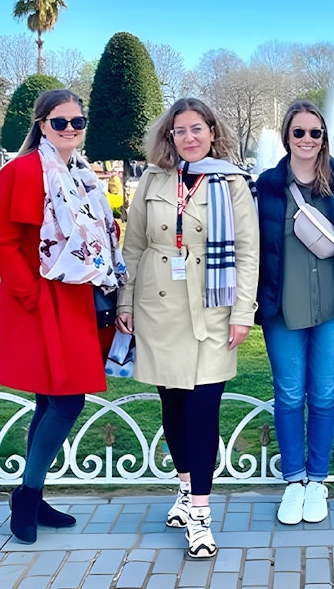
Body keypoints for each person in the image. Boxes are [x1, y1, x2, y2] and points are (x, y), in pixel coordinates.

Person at [115, 98, 258, 559]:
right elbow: (132, 246)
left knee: (202, 410)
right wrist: (124, 301)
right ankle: (183, 488)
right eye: (180, 131)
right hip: (157, 309)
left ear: (212, 132)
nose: (190, 137)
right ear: (169, 136)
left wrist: (242, 312)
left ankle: (200, 515)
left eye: (198, 128)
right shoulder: (154, 179)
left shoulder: (232, 183)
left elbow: (248, 252)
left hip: (212, 308)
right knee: (172, 406)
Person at [0, 89, 126, 544]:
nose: (70, 129)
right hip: (45, 303)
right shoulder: (23, 171)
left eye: (77, 122)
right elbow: (1, 243)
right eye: (60, 122)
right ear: (42, 124)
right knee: (66, 400)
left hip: (79, 301)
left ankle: (33, 494)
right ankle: (26, 495)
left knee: (50, 400)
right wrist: (31, 296)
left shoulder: (82, 173)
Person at [255, 101, 334, 526]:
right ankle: (293, 479)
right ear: (286, 137)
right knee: (290, 394)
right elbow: (254, 245)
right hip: (284, 307)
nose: (307, 140)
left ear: (324, 137)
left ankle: (318, 479)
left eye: (315, 133)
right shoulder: (267, 184)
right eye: (299, 132)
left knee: (324, 394)